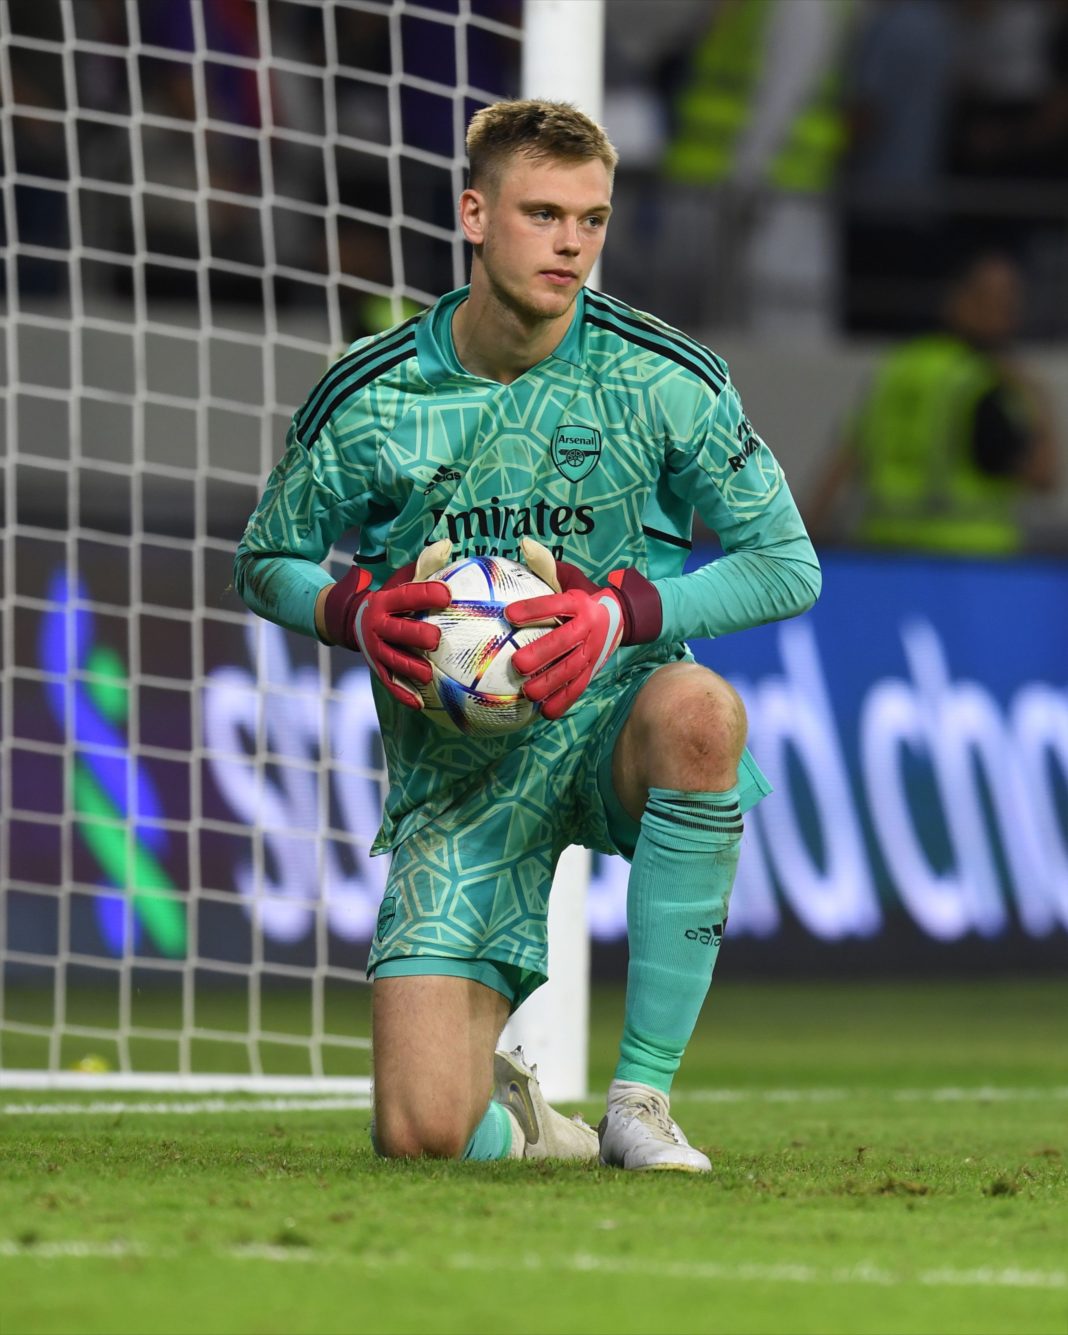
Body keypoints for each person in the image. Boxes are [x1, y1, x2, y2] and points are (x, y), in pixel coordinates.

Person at [234, 99, 821, 1171]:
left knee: (703, 712)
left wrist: (621, 614)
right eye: (543, 213)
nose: (571, 244)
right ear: (474, 213)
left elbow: (788, 564)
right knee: (420, 1135)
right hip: (460, 778)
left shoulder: (663, 378)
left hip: (612, 725)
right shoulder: (372, 395)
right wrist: (352, 610)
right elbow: (265, 560)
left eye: (591, 220)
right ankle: (531, 1124)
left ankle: (641, 1100)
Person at [806, 250, 1058, 554]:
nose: (1008, 311)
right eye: (995, 299)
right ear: (959, 299)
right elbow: (1043, 477)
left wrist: (798, 549)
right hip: (970, 565)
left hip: (883, 555)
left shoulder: (899, 367)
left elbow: (843, 462)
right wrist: (1040, 401)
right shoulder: (983, 383)